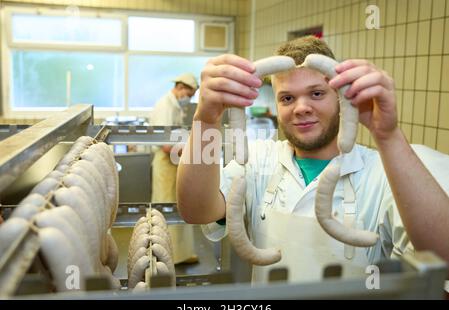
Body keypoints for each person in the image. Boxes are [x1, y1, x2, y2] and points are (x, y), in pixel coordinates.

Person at [176, 36, 449, 284]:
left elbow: (443, 254)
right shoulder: (258, 159)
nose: (301, 107)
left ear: (341, 97)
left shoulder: (381, 172)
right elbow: (195, 210)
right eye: (287, 98)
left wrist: (388, 135)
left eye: (316, 93)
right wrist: (205, 119)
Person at [150, 73, 199, 264]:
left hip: (174, 163)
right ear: (180, 87)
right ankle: (165, 256)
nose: (190, 98)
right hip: (165, 163)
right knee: (166, 208)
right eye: (189, 93)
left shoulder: (175, 105)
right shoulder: (166, 106)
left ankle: (179, 255)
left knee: (177, 208)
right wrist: (191, 155)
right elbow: (166, 144)